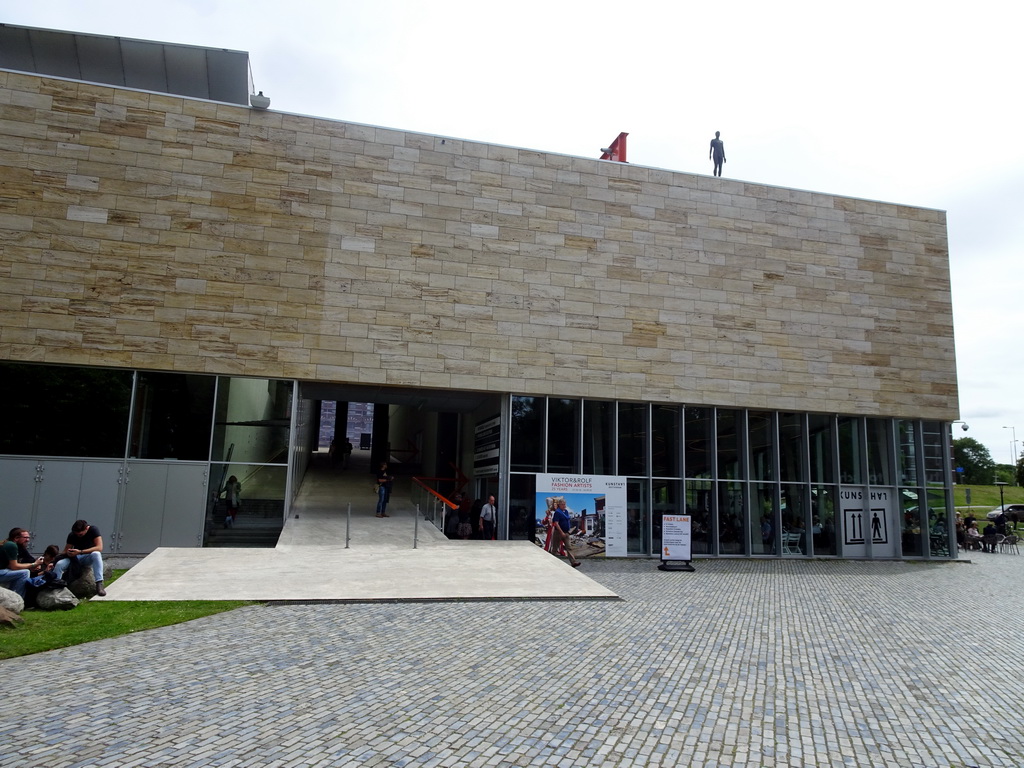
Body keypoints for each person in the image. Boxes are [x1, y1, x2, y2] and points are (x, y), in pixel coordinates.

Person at [52, 519, 107, 596]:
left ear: (86, 528)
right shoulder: (72, 535)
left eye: (80, 534)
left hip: (88, 556)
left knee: (96, 554)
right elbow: (65, 550)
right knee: (60, 564)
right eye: (76, 534)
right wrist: (67, 553)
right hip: (75, 557)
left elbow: (99, 547)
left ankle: (99, 584)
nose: (78, 535)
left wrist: (81, 551)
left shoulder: (93, 530)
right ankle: (55, 585)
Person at [1, 528, 43, 598]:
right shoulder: (12, 545)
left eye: (28, 537)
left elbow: (10, 566)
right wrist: (34, 564)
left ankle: (11, 597)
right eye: (25, 538)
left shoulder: (11, 545)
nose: (28, 540)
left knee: (23, 571)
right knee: (24, 573)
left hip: (3, 571)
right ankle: (16, 599)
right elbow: (14, 566)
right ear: (16, 538)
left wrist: (32, 566)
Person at [549, 499, 580, 567]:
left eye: (565, 504)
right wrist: (561, 532)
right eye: (562, 504)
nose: (564, 506)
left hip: (566, 533)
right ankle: (550, 563)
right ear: (559, 505)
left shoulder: (566, 512)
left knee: (569, 547)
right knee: (555, 549)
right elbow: (556, 523)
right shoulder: (557, 512)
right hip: (558, 532)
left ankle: (573, 562)